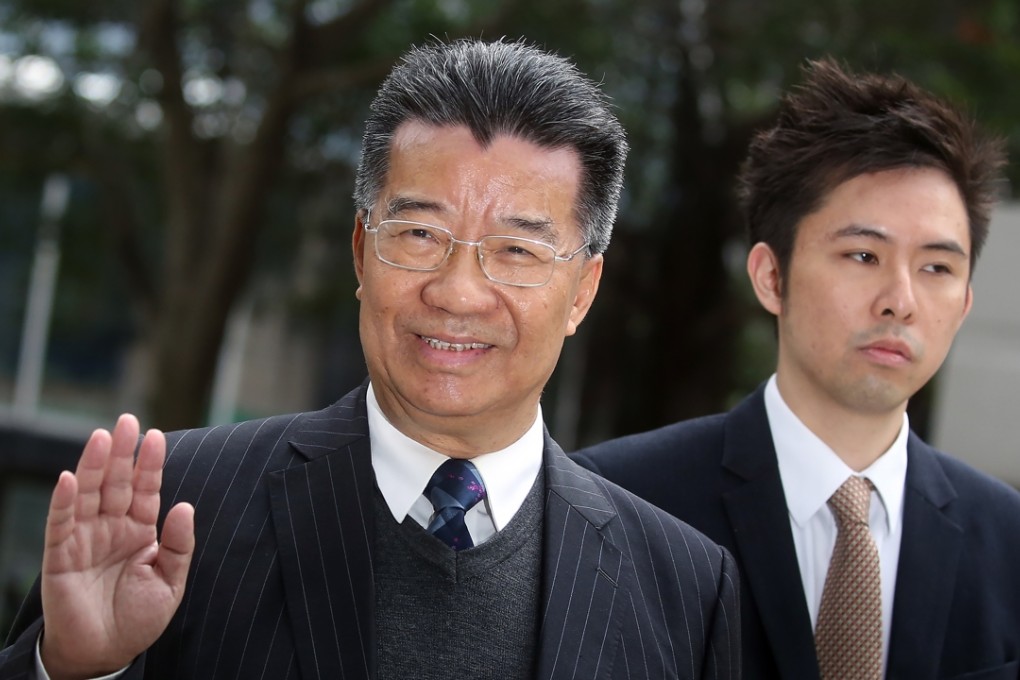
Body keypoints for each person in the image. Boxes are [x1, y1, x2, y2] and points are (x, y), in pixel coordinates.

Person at [0, 38, 739, 680]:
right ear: (361, 249)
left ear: (582, 290)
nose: (456, 292)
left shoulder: (684, 587)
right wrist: (76, 669)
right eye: (419, 235)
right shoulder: (177, 509)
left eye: (517, 251)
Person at [573, 58, 1020, 680]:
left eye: (937, 268)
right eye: (863, 254)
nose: (901, 299)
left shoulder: (1010, 543)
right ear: (771, 277)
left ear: (966, 301)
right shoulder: (612, 506)